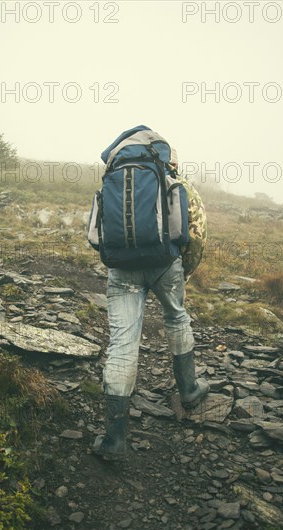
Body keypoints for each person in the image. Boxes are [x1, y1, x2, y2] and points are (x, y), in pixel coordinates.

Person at [92, 147, 209, 460]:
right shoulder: (177, 184)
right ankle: (189, 391)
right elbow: (195, 233)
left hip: (121, 268)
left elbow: (94, 235)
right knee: (177, 318)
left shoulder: (112, 179)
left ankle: (115, 441)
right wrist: (183, 271)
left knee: (121, 345)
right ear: (170, 161)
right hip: (165, 263)